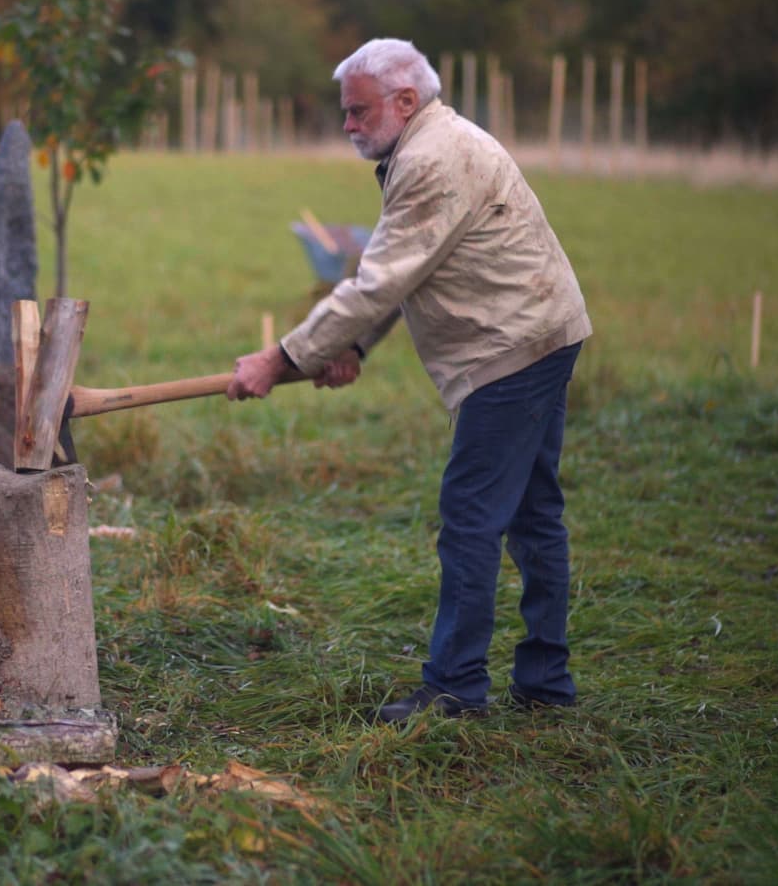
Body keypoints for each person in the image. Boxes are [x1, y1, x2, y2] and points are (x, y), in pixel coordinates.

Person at [227, 38, 592, 722]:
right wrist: (353, 348)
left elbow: (378, 279)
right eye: (347, 112)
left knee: (472, 520)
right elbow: (407, 273)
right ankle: (545, 682)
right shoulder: (427, 147)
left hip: (511, 348)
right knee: (533, 514)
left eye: (359, 111)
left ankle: (455, 691)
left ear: (404, 101)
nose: (348, 126)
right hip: (544, 331)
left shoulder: (431, 160)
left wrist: (280, 359)